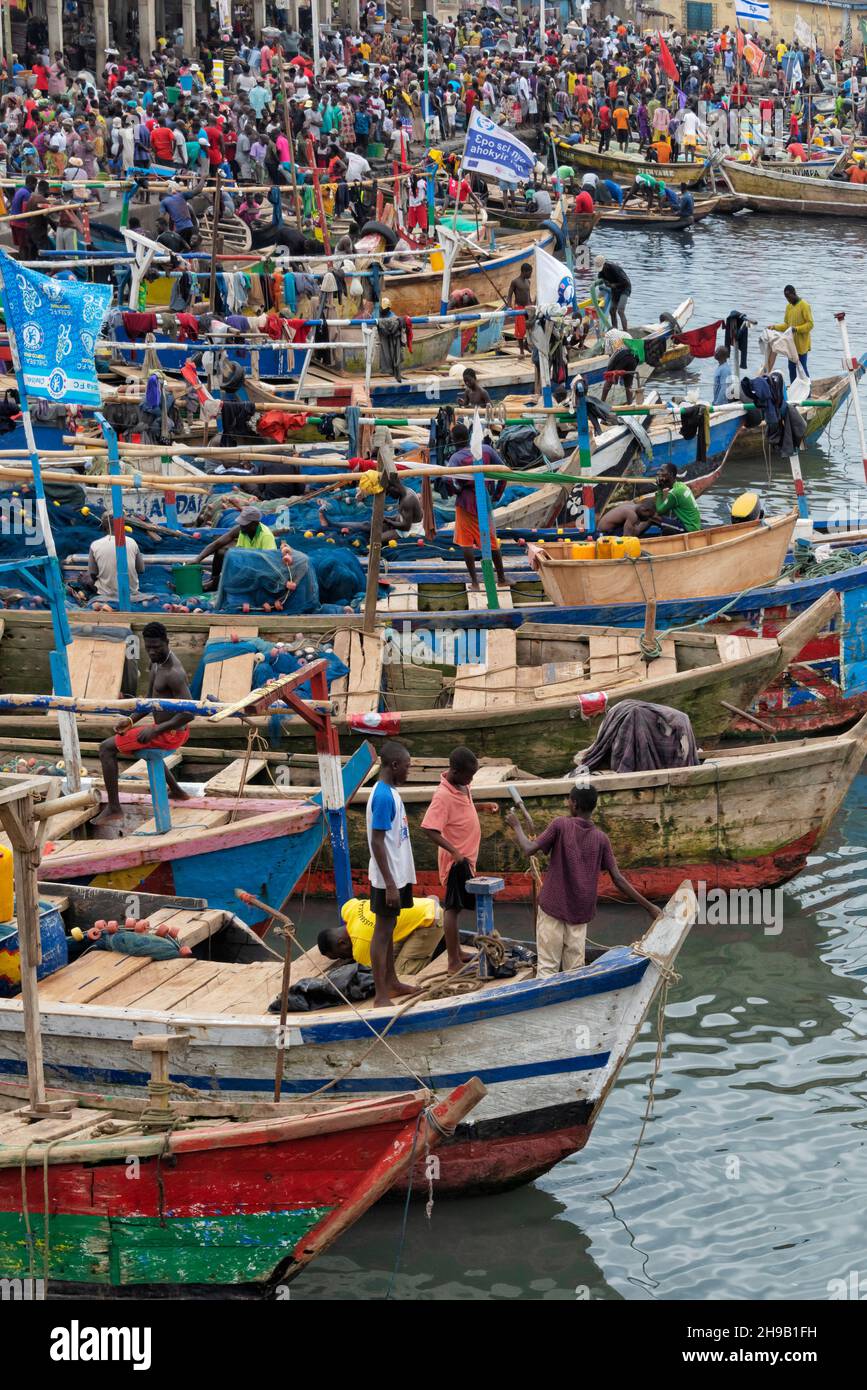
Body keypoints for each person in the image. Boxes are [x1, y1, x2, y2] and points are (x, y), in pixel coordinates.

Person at [506, 783, 658, 977]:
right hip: (580, 912)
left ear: (575, 804)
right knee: (575, 971)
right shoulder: (601, 838)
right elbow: (618, 879)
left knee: (547, 968)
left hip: (553, 907)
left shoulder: (560, 824)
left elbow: (529, 849)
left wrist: (516, 826)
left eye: (570, 800)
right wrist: (649, 907)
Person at [95, 622, 193, 824]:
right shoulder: (156, 664)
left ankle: (114, 808)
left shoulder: (174, 673)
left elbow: (189, 713)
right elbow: (149, 701)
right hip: (163, 732)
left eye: (156, 647)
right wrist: (131, 720)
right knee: (139, 739)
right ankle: (177, 792)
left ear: (167, 642)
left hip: (172, 733)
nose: (152, 651)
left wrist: (156, 730)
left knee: (105, 748)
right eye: (148, 647)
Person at [421, 746, 500, 975]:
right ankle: (453, 960)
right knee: (452, 909)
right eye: (469, 776)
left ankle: (458, 953)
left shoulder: (463, 786)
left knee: (460, 907)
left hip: (467, 858)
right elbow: (429, 828)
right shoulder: (442, 795)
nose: (471, 780)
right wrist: (453, 851)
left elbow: (463, 811)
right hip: (456, 862)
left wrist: (483, 807)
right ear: (455, 771)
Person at [365, 739, 420, 1006]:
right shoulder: (384, 796)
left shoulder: (391, 792)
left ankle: (392, 982)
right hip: (387, 877)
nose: (409, 772)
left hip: (397, 874)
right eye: (407, 767)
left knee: (390, 926)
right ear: (395, 765)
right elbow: (377, 841)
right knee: (383, 931)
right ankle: (381, 995)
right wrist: (389, 885)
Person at [443, 421, 509, 590]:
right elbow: (504, 471)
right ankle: (501, 578)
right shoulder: (486, 450)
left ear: (454, 440)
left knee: (466, 542)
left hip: (465, 502)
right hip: (484, 499)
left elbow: (450, 482)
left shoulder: (455, 459)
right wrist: (497, 494)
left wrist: (456, 492)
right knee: (491, 539)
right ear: (468, 436)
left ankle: (474, 582)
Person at [317, 895, 445, 977]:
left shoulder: (361, 945)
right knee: (389, 956)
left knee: (399, 973)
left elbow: (373, 974)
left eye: (341, 955)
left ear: (342, 943)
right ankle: (431, 902)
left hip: (430, 920)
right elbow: (354, 902)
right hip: (421, 906)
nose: (345, 958)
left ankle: (434, 944)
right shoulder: (347, 909)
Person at [194, 504, 277, 590]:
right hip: (244, 563)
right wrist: (198, 559)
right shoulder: (242, 529)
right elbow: (217, 544)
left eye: (244, 523)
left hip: (259, 568)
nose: (241, 526)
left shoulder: (266, 535)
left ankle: (220, 582)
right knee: (221, 551)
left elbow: (268, 562)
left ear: (255, 524)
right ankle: (215, 580)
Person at [86, 513, 144, 602]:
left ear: (104, 526)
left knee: (83, 580)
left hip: (105, 594)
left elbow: (93, 574)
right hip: (131, 593)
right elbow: (141, 570)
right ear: (123, 524)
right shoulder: (132, 542)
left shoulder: (95, 545)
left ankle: (104, 605)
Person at [773, 284, 813, 381]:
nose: (788, 300)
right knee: (791, 369)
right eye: (786, 298)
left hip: (802, 346)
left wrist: (797, 329)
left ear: (794, 293)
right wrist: (774, 327)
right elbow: (787, 325)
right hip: (791, 346)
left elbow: (810, 324)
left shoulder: (804, 305)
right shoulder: (788, 307)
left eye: (789, 297)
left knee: (802, 369)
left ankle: (808, 393)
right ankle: (794, 390)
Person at [653, 462, 702, 532]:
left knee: (652, 517)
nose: (658, 473)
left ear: (670, 474)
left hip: (689, 528)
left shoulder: (674, 493)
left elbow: (659, 511)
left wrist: (659, 489)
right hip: (694, 525)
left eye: (662, 471)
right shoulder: (681, 485)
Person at [594, 255, 631, 330]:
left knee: (620, 310)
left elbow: (626, 282)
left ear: (604, 264)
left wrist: (613, 285)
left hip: (624, 288)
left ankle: (625, 331)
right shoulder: (601, 272)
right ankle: (615, 329)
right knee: (612, 309)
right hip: (615, 290)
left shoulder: (614, 269)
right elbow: (600, 280)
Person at [507, 261, 534, 357]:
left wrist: (532, 305)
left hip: (528, 308)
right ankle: (522, 351)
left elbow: (528, 296)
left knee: (531, 327)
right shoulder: (515, 282)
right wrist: (509, 307)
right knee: (521, 330)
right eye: (529, 272)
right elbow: (509, 295)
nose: (531, 274)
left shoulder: (528, 282)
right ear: (524, 272)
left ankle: (527, 345)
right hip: (519, 308)